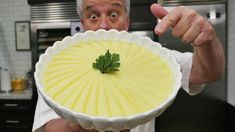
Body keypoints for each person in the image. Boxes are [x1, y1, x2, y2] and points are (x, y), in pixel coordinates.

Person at [32, 0, 225, 132]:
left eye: (114, 14)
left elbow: (208, 73)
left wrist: (206, 42)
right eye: (93, 16)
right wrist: (81, 125)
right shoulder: (57, 64)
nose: (104, 25)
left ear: (127, 21)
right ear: (82, 24)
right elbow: (43, 128)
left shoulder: (152, 58)